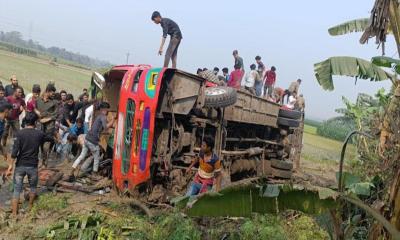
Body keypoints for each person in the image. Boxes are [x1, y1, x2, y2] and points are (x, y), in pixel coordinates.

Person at [6, 112, 53, 216]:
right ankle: (30, 208)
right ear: (35, 122)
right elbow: (50, 138)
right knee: (33, 188)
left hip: (20, 166)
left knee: (17, 189)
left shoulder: (19, 133)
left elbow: (14, 152)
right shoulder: (39, 134)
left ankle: (14, 214)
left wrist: (10, 166)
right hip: (32, 166)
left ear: (25, 122)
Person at [69, 102, 115, 178]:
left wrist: (111, 123)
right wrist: (113, 120)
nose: (108, 111)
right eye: (107, 109)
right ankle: (94, 174)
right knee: (97, 157)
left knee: (81, 156)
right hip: (93, 140)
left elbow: (104, 126)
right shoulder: (103, 116)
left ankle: (72, 171)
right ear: (104, 109)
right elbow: (106, 127)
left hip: (87, 138)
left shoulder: (98, 116)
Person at [36, 84, 58, 167]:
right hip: (39, 126)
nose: (54, 94)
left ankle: (45, 163)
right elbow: (34, 110)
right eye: (52, 92)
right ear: (47, 91)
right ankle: (41, 160)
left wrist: (46, 119)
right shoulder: (38, 100)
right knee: (40, 144)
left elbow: (55, 115)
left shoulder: (54, 102)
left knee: (46, 146)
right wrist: (37, 115)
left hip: (49, 127)